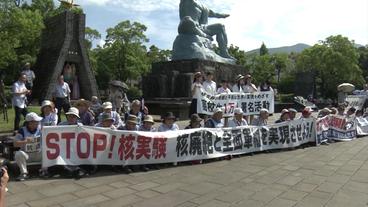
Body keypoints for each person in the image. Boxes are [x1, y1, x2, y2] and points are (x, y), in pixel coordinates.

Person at [14, 112, 42, 181]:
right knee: (18, 154)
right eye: (36, 121)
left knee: (47, 149)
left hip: (38, 154)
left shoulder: (41, 130)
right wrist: (25, 141)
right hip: (27, 155)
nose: (38, 123)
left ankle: (44, 170)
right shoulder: (22, 131)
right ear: (30, 123)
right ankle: (24, 173)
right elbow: (15, 143)